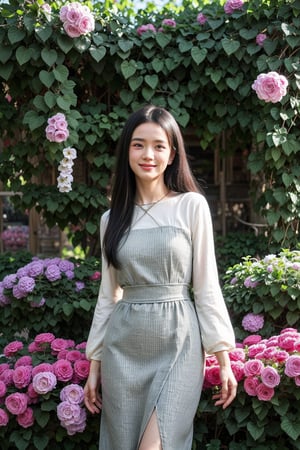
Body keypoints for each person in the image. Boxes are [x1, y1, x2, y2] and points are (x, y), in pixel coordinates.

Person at [84, 105, 237, 450]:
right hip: (124, 348)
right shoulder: (112, 219)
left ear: (172, 155)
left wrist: (223, 358)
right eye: (138, 145)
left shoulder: (191, 206)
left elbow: (206, 286)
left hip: (179, 343)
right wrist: (94, 362)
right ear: (126, 152)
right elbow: (109, 296)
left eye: (159, 145)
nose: (148, 154)